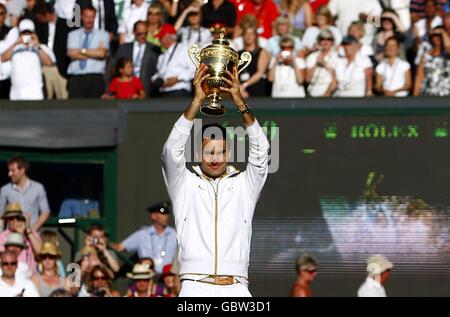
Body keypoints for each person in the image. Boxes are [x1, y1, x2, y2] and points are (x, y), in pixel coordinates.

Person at [161, 63, 270, 297]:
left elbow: (262, 151)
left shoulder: (244, 185)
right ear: (199, 154)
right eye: (208, 152)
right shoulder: (184, 184)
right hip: (194, 286)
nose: (214, 158)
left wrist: (239, 102)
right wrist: (197, 101)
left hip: (237, 287)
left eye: (220, 152)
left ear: (228, 153)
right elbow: (171, 151)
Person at [111, 202, 177, 275]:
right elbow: (119, 247)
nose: (165, 216)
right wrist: (104, 243)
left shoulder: (174, 234)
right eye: (162, 213)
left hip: (167, 278)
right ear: (153, 216)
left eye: (167, 213)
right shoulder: (142, 234)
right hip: (145, 277)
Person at [0, 18, 54, 100]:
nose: (26, 35)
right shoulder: (14, 47)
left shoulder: (40, 47)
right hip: (17, 92)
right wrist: (16, 43)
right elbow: (3, 58)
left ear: (34, 33)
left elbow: (49, 63)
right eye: (24, 33)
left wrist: (38, 45)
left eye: (29, 32)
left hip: (35, 91)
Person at [66, 5, 110, 98]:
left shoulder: (103, 35)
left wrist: (80, 51)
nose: (89, 20)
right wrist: (94, 52)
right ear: (81, 17)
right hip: (76, 78)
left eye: (92, 17)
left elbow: (102, 54)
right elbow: (71, 54)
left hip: (95, 78)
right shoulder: (73, 35)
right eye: (87, 16)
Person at [0, 156, 50, 232]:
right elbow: (0, 214)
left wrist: (32, 230)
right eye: (9, 170)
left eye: (12, 170)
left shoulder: (38, 188)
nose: (9, 174)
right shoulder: (5, 190)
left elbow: (45, 212)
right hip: (11, 236)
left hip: (32, 237)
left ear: (22, 170)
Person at [113, 20, 160, 98]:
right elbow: (116, 68)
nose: (143, 36)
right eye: (139, 34)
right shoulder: (123, 48)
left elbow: (158, 70)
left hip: (147, 91)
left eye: (145, 33)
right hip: (126, 92)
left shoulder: (154, 49)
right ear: (133, 32)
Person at [33, 1, 68, 99]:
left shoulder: (65, 25)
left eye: (40, 17)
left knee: (63, 98)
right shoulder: (40, 26)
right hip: (45, 68)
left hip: (61, 68)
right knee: (46, 99)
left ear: (47, 14)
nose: (39, 20)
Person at [151, 24, 195, 97]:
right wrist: (155, 79)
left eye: (160, 38)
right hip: (163, 93)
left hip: (180, 91)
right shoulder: (162, 55)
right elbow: (160, 73)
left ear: (167, 37)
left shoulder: (183, 49)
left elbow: (194, 69)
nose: (159, 41)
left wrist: (177, 79)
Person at [0, 204, 42, 274]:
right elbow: (5, 257)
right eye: (11, 218)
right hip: (11, 275)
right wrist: (19, 235)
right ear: (7, 220)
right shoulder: (2, 236)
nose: (14, 221)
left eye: (17, 217)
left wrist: (28, 233)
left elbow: (42, 254)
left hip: (31, 276)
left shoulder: (31, 233)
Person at [413, 26, 450, 96]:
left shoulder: (447, 55)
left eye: (440, 35)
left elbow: (448, 48)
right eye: (435, 35)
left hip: (446, 95)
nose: (437, 37)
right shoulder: (425, 56)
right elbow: (419, 77)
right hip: (428, 94)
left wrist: (443, 32)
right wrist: (415, 95)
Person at [238, 25, 270, 98]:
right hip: (240, 90)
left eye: (251, 34)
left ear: (255, 36)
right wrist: (239, 88)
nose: (248, 36)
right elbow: (235, 73)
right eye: (246, 34)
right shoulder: (238, 53)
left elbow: (260, 73)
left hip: (256, 87)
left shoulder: (262, 52)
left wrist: (244, 85)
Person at [305, 29, 338, 97]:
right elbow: (307, 79)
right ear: (319, 41)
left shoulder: (337, 57)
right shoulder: (312, 57)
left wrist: (325, 64)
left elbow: (337, 78)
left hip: (329, 93)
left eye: (329, 39)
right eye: (322, 39)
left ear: (332, 42)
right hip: (313, 92)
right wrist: (316, 64)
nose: (325, 42)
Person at [0, 3, 18, 99]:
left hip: (7, 76)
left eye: (1, 13)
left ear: (5, 15)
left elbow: (12, 48)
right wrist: (6, 45)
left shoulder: (12, 31)